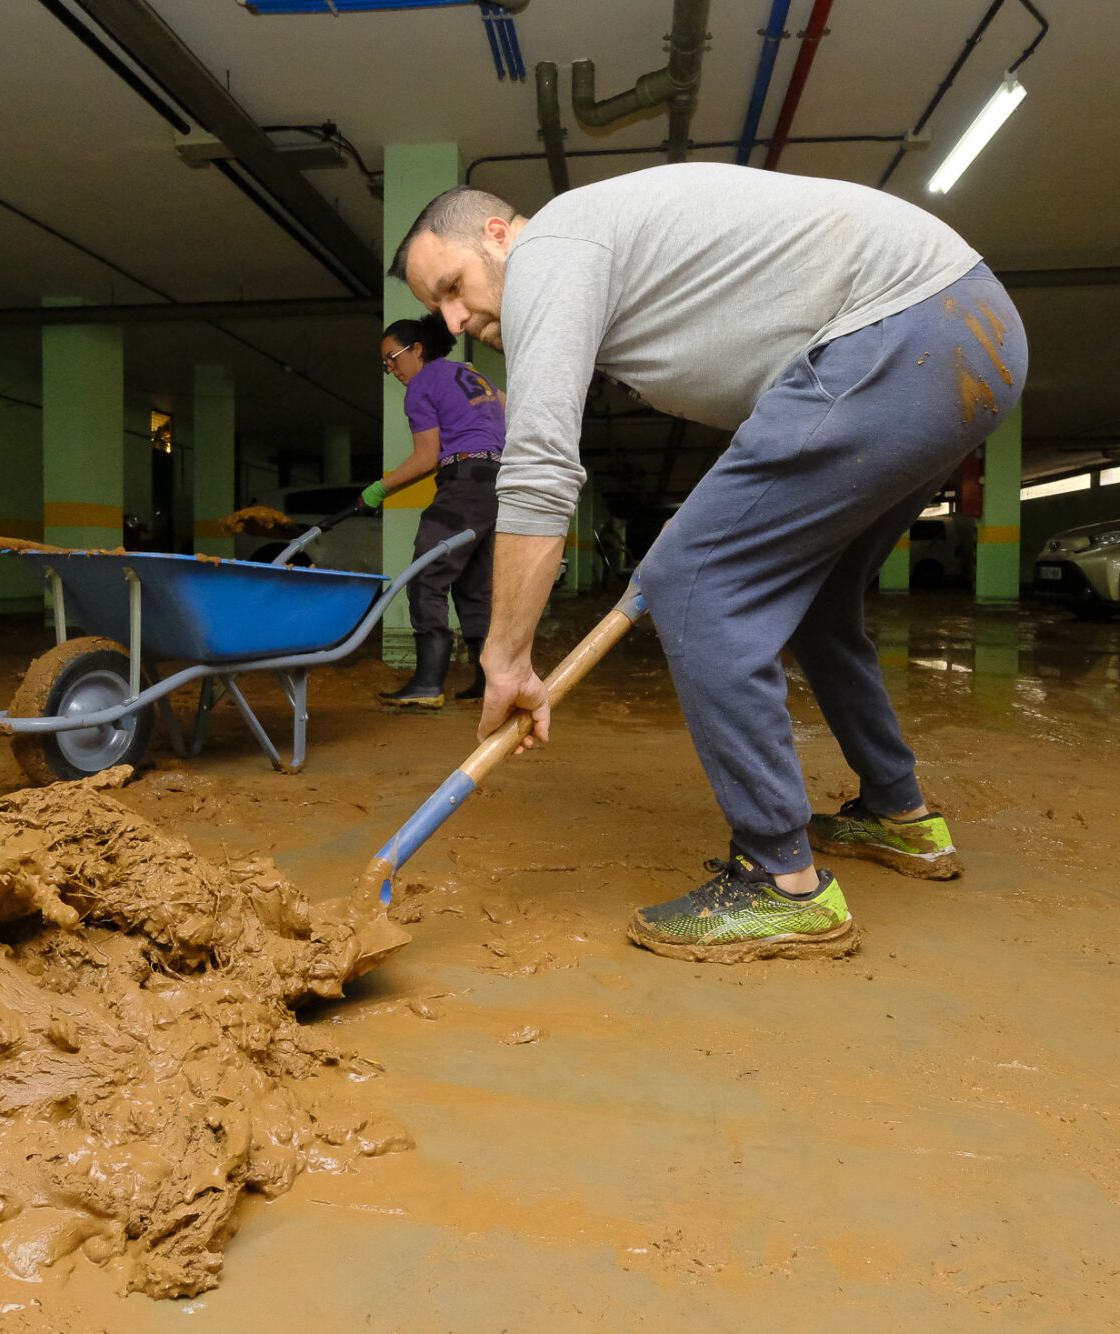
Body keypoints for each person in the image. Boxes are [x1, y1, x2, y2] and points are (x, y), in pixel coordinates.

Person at [390, 163, 1026, 963]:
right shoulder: (598, 251)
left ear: (496, 233)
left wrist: (508, 656)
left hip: (902, 332)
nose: (453, 317)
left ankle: (780, 885)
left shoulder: (552, 246)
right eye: (436, 309)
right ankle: (900, 816)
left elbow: (541, 465)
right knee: (821, 602)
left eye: (451, 285)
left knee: (693, 582)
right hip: (965, 332)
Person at [365, 313, 508, 707]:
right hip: (495, 481)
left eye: (392, 358)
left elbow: (427, 457)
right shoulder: (472, 375)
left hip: (462, 482)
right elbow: (507, 406)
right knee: (474, 585)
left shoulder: (422, 385)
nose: (390, 368)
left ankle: (428, 684)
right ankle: (487, 682)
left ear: (417, 349)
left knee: (426, 575)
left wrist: (379, 489)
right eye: (385, 363)